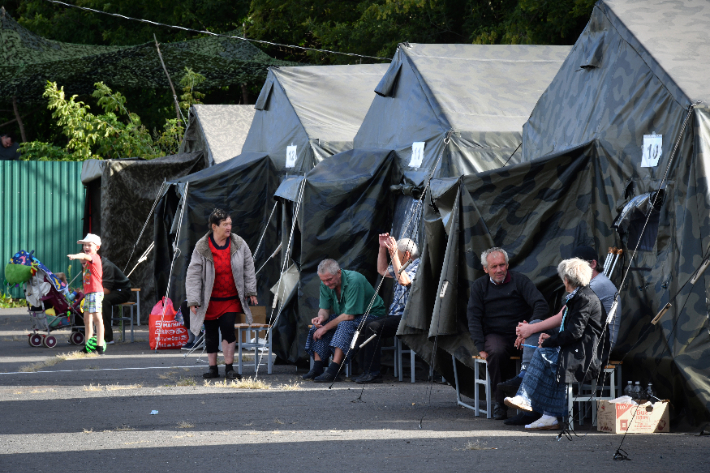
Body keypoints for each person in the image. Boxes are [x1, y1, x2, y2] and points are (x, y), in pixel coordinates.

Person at [498, 245, 619, 426]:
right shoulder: (582, 294)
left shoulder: (589, 293)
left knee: (545, 352)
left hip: (590, 350)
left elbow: (572, 329)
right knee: (543, 347)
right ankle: (542, 408)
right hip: (583, 343)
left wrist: (547, 340)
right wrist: (544, 336)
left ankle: (530, 398)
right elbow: (571, 325)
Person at [466, 247, 549, 420]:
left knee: (541, 348)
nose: (498, 270)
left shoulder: (520, 281)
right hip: (495, 335)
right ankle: (500, 403)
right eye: (494, 266)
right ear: (485, 269)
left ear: (507, 265)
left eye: (502, 265)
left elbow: (541, 304)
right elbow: (473, 318)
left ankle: (535, 405)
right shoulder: (479, 287)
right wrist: (480, 347)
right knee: (494, 351)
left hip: (522, 333)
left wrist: (529, 327)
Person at [186, 209, 258, 380]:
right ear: (214, 226)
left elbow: (249, 267)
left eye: (230, 224)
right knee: (210, 333)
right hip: (209, 300)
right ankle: (212, 368)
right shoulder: (202, 247)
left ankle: (229, 368)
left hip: (230, 299)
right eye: (225, 224)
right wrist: (194, 299)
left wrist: (251, 290)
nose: (229, 227)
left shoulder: (239, 243)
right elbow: (193, 274)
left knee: (227, 328)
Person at [302, 259, 386, 383]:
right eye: (323, 280)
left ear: (339, 273)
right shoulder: (325, 283)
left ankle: (334, 370)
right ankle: (317, 367)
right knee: (317, 327)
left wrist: (326, 328)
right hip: (346, 316)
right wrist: (321, 318)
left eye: (329, 279)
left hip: (371, 315)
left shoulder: (355, 280)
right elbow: (324, 309)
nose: (326, 283)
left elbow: (349, 316)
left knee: (345, 325)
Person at [355, 234, 420, 384]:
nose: (393, 258)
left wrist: (394, 254)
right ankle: (364, 370)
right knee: (363, 325)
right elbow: (382, 270)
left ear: (407, 255)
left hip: (408, 317)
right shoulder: (403, 264)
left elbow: (404, 280)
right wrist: (382, 248)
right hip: (395, 315)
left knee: (373, 327)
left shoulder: (418, 266)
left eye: (396, 254)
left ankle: (373, 373)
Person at [68, 234, 104, 354]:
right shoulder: (87, 261)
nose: (86, 247)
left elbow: (84, 256)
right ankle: (88, 346)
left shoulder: (94, 257)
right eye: (85, 245)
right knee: (87, 319)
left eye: (89, 245)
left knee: (97, 319)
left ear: (97, 247)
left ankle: (99, 346)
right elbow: (83, 258)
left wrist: (74, 256)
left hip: (96, 292)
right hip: (89, 293)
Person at [100, 257, 132, 345]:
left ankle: (108, 337)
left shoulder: (107, 266)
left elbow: (107, 290)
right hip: (109, 290)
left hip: (122, 291)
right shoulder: (87, 266)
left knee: (103, 300)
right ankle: (81, 332)